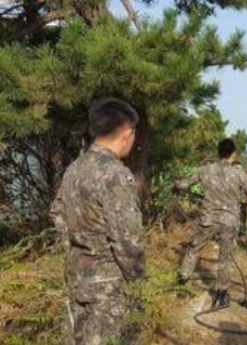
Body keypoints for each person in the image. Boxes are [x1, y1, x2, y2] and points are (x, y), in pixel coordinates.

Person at [50, 98, 145, 345]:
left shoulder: (75, 168)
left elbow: (57, 213)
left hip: (76, 276)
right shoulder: (116, 174)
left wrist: (76, 249)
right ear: (127, 132)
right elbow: (127, 239)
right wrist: (138, 280)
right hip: (108, 287)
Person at [173, 138, 247, 309]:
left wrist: (175, 185)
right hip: (229, 222)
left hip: (208, 220)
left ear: (218, 152)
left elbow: (184, 185)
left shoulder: (205, 170)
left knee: (193, 248)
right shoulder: (238, 173)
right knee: (225, 258)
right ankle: (220, 295)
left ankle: (182, 282)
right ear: (233, 154)